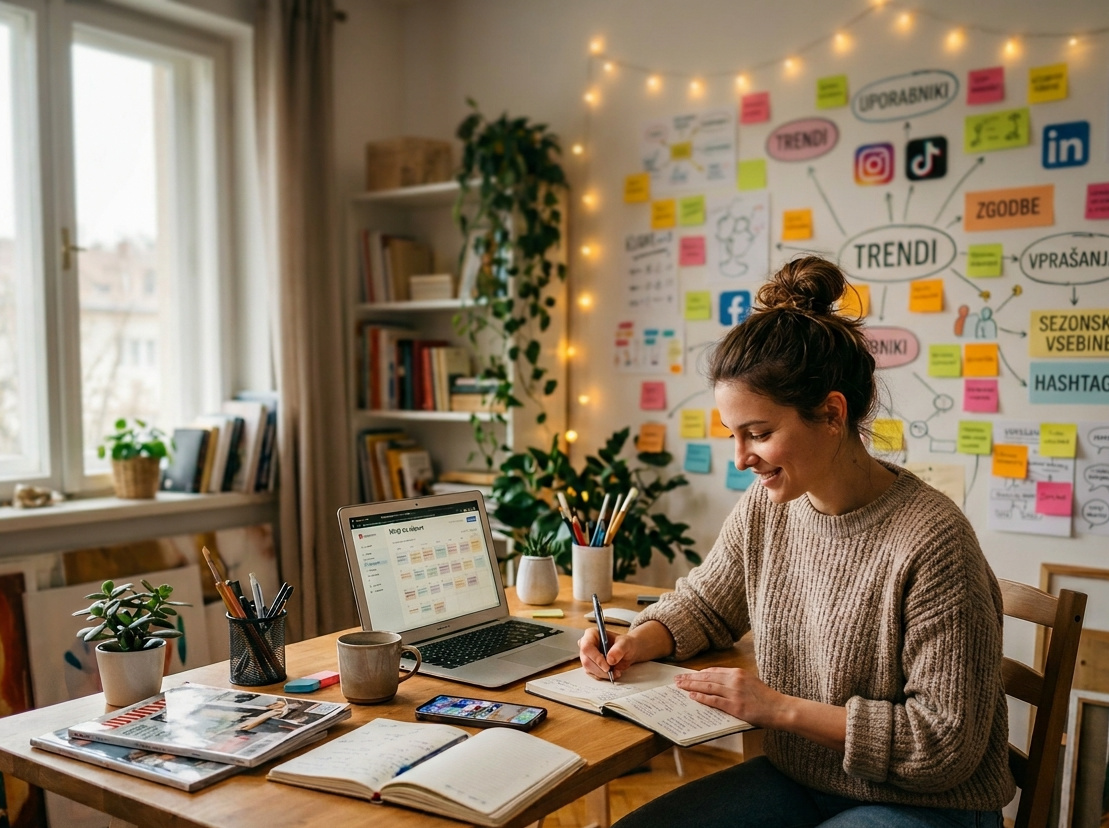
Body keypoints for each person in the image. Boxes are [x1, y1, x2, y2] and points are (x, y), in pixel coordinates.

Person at [580, 256, 1014, 827]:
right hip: (803, 782)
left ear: (832, 413)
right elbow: (707, 605)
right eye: (734, 436)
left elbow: (942, 745)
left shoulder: (932, 540)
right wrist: (638, 639)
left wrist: (776, 709)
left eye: (759, 434)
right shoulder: (769, 508)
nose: (742, 459)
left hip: (925, 804)